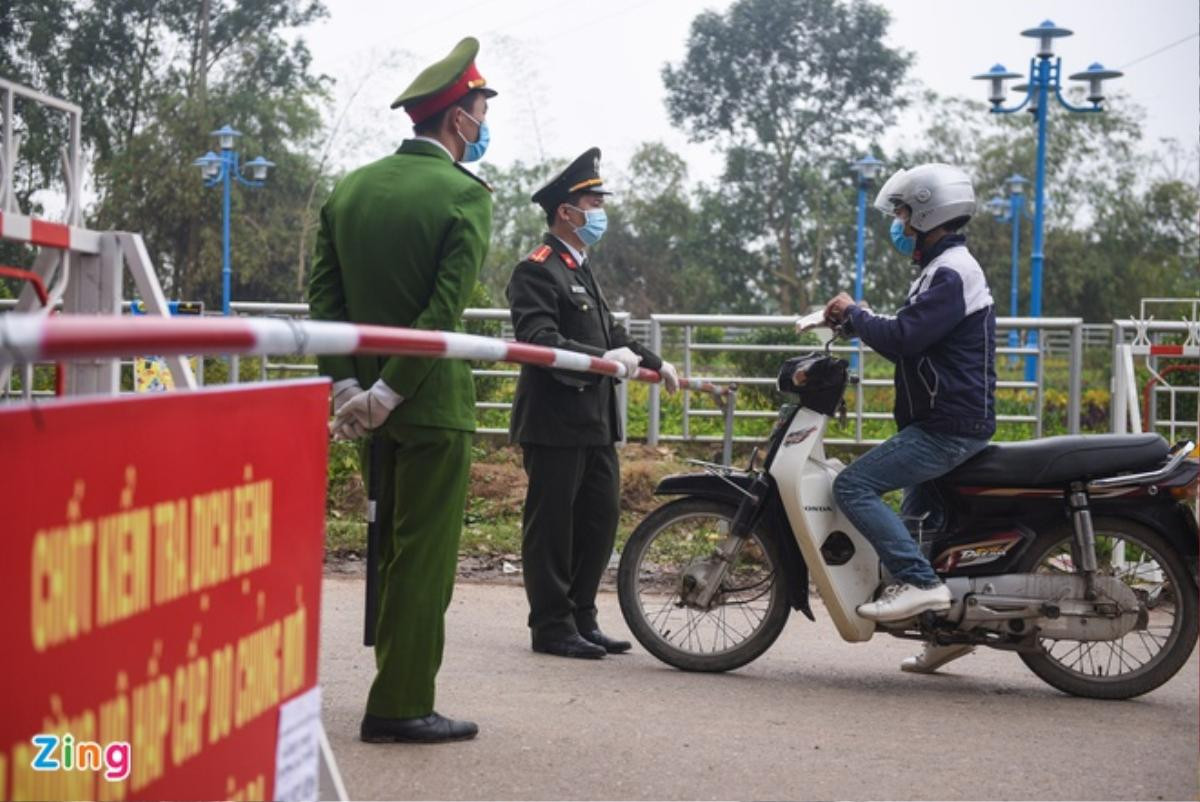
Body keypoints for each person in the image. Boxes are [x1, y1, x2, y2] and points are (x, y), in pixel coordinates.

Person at [307, 36, 496, 743]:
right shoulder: (462, 195)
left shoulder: (350, 189)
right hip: (432, 406)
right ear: (458, 120)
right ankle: (399, 704)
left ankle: (395, 683)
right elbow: (442, 315)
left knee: (388, 543)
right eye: (479, 111)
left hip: (362, 408)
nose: (481, 124)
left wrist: (351, 389)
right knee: (424, 554)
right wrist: (392, 390)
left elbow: (323, 302)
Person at [506, 148, 680, 659]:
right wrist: (605, 356)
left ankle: (582, 615)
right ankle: (552, 625)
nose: (600, 209)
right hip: (556, 420)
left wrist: (653, 360)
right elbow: (539, 338)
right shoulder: (537, 269)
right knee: (552, 529)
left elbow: (611, 331)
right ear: (566, 210)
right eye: (593, 200)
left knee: (597, 521)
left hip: (596, 422)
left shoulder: (579, 267)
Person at [823, 163, 996, 673]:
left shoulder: (950, 272)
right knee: (922, 530)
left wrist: (855, 314)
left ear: (926, 211)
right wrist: (862, 321)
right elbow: (910, 331)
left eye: (901, 212)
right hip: (946, 421)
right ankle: (946, 632)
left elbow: (903, 339)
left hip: (946, 427)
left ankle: (922, 585)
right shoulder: (942, 271)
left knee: (852, 486)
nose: (897, 223)